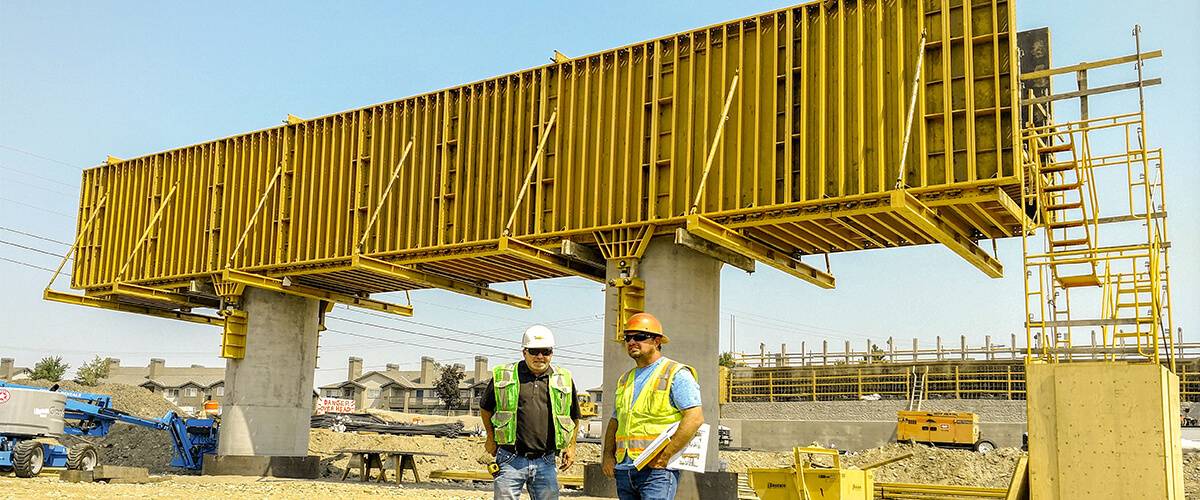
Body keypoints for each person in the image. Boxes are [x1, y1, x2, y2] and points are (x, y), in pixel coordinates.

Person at [602, 312, 704, 500]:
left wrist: (666, 456)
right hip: (625, 470)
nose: (632, 342)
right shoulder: (625, 379)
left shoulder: (675, 373)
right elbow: (616, 420)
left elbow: (695, 417)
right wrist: (607, 455)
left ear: (657, 341)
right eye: (628, 337)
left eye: (639, 337)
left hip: (656, 472)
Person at [480, 325, 582, 500]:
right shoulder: (505, 376)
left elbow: (574, 415)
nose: (540, 356)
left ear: (552, 353)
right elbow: (485, 408)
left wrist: (571, 446)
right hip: (510, 457)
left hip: (546, 460)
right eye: (534, 351)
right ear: (524, 352)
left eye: (546, 351)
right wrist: (490, 437)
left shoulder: (563, 379)